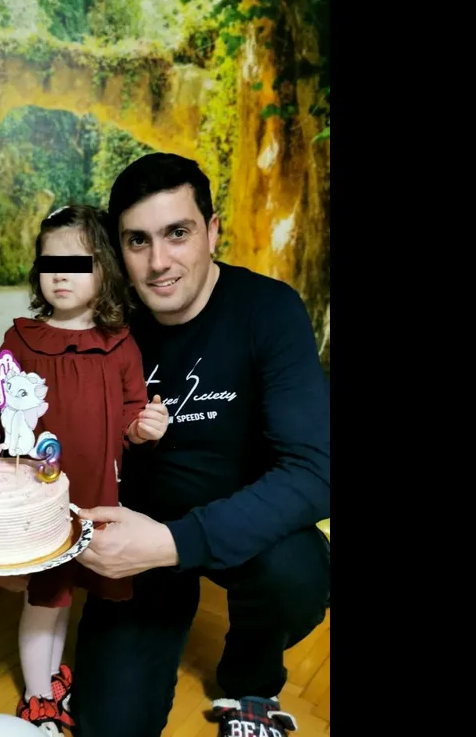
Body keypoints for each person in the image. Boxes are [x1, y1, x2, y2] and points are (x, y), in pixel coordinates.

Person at [68, 153, 331, 737]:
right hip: (136, 534)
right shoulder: (105, 322)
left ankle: (251, 679)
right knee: (108, 726)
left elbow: (317, 471)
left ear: (212, 231)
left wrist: (176, 542)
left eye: (178, 233)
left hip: (245, 530)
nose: (158, 262)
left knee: (298, 575)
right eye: (138, 241)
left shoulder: (270, 309)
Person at [0, 204, 169, 735]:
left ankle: (51, 676)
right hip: (40, 498)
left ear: (105, 268)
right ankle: (37, 698)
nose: (61, 275)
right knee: (44, 596)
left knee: (65, 595)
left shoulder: (121, 343)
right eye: (50, 262)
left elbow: (131, 412)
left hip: (96, 495)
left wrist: (145, 426)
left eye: (77, 263)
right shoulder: (21, 339)